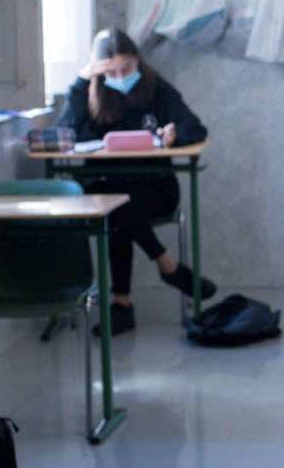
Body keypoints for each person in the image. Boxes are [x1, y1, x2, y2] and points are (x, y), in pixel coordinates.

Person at [58, 28, 213, 335]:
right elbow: (66, 133)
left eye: (125, 68)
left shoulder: (158, 90)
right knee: (115, 203)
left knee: (118, 206)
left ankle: (122, 305)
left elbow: (194, 128)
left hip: (155, 188)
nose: (119, 75)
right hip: (103, 186)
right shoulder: (91, 93)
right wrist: (81, 82)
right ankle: (165, 264)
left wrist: (175, 134)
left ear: (137, 61)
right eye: (110, 71)